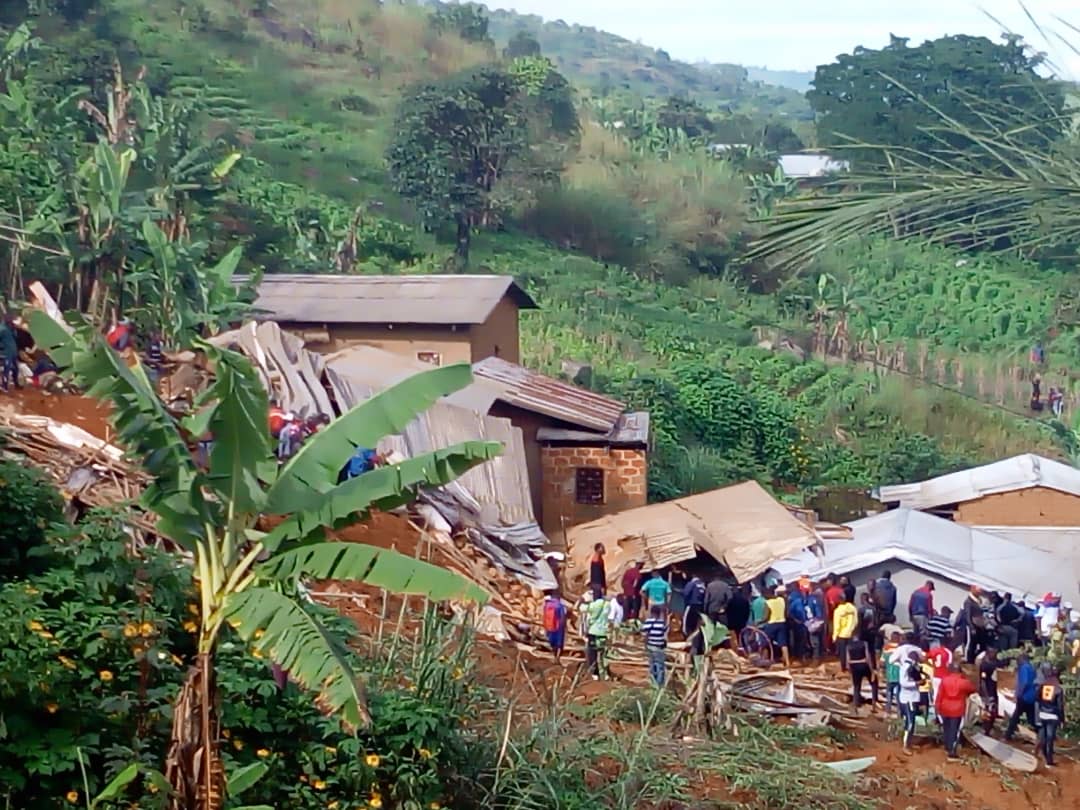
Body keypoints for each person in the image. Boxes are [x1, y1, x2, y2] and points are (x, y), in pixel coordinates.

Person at [936, 663, 976, 759]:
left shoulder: (944, 680)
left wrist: (937, 707)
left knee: (947, 728)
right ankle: (952, 751)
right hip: (957, 708)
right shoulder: (964, 682)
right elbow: (973, 689)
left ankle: (947, 746)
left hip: (945, 707)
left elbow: (939, 695)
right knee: (955, 730)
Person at [1035, 668, 1066, 767]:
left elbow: (1037, 699)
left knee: (1043, 737)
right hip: (1053, 716)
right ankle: (1049, 761)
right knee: (1050, 739)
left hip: (1042, 714)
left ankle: (1043, 755)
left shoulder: (1043, 686)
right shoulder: (1058, 689)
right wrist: (1062, 719)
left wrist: (1040, 710)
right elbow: (1060, 706)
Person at [1005, 652, 1038, 741]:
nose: (1017, 662)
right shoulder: (1032, 668)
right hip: (1031, 696)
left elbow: (1024, 683)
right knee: (1032, 719)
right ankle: (1042, 734)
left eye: (1018, 660)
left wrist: (1018, 694)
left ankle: (1008, 735)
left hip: (1024, 697)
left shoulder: (1024, 668)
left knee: (1015, 717)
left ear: (1022, 659)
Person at [898, 649, 924, 755]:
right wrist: (917, 683)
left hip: (911, 697)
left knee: (910, 722)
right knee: (910, 722)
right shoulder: (907, 667)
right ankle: (906, 746)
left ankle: (908, 742)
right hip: (908, 698)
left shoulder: (908, 666)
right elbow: (903, 683)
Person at [583, 586, 610, 680]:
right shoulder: (607, 604)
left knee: (592, 653)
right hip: (604, 632)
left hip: (593, 632)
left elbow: (582, 609)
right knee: (603, 654)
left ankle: (595, 674)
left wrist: (582, 600)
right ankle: (606, 673)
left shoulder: (594, 605)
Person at [846, 636, 878, 710]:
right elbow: (867, 657)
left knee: (856, 686)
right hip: (865, 666)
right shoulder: (864, 643)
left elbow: (848, 660)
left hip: (855, 667)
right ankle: (874, 700)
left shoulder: (848, 646)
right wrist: (872, 670)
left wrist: (850, 670)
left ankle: (856, 702)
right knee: (874, 682)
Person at [762, 586, 790, 667]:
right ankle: (787, 662)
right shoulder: (781, 600)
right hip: (782, 623)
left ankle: (766, 661)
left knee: (766, 642)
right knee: (783, 644)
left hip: (772, 624)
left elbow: (766, 617)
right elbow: (786, 612)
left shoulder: (768, 603)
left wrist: (759, 621)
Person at [978, 646, 1004, 734]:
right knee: (987, 711)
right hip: (988, 691)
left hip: (995, 690)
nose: (994, 654)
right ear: (988, 653)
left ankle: (990, 727)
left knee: (994, 710)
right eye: (992, 653)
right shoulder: (984, 665)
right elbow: (982, 681)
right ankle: (986, 729)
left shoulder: (996, 662)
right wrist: (986, 694)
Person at [641, 605, 668, 686]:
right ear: (659, 613)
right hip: (659, 647)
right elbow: (664, 632)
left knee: (652, 665)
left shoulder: (648, 622)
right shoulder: (661, 622)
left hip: (650, 646)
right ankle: (659, 684)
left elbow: (644, 633)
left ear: (651, 612)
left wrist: (645, 645)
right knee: (660, 666)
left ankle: (653, 682)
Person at [961, 586, 989, 664]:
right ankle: (969, 660)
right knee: (971, 644)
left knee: (981, 644)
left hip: (980, 625)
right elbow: (967, 615)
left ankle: (975, 659)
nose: (980, 593)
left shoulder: (979, 601)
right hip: (973, 625)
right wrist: (971, 627)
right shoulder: (968, 602)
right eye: (978, 591)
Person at [833, 591, 858, 672]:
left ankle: (843, 668)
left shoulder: (838, 611)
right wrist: (853, 629)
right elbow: (856, 621)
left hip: (842, 634)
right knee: (851, 651)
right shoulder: (853, 608)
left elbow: (837, 625)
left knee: (843, 652)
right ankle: (852, 667)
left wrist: (834, 636)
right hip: (851, 633)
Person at [926, 639, 952, 719]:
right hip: (945, 676)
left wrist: (931, 665)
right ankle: (942, 713)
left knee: (936, 694)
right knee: (944, 695)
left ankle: (936, 713)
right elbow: (949, 665)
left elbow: (925, 657)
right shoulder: (948, 652)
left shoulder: (935, 651)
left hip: (936, 676)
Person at [682, 574, 707, 655]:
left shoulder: (691, 583)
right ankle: (696, 643)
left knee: (687, 625)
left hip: (691, 606)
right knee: (697, 626)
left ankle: (688, 642)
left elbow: (686, 593)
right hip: (700, 607)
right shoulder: (702, 585)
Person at [542, 590, 568, 663]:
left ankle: (554, 655)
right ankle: (557, 657)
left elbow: (544, 616)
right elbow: (563, 616)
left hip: (549, 626)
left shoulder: (547, 605)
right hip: (558, 626)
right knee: (559, 643)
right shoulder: (559, 605)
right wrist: (564, 626)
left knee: (552, 642)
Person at [882, 631, 902, 717]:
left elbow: (881, 663)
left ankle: (888, 712)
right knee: (899, 695)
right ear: (898, 638)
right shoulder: (901, 648)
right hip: (899, 675)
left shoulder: (886, 648)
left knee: (889, 694)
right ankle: (899, 712)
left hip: (889, 674)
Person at [857, 592, 879, 669]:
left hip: (864, 632)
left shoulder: (861, 610)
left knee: (863, 650)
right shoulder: (873, 609)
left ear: (863, 599)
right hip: (872, 632)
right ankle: (874, 666)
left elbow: (859, 622)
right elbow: (876, 621)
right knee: (871, 650)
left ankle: (865, 666)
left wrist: (858, 633)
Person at [726, 585, 751, 650]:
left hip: (732, 621)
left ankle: (734, 649)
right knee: (740, 636)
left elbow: (727, 610)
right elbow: (747, 611)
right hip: (742, 621)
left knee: (732, 636)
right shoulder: (745, 600)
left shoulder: (731, 600)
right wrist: (745, 619)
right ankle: (742, 648)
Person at [0, 317, 18, 391]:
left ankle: (16, 383)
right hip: (6, 352)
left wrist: (14, 328)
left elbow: (15, 336)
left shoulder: (11, 328)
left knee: (15, 369)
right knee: (6, 369)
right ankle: (4, 386)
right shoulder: (2, 328)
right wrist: (2, 347)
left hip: (13, 352)